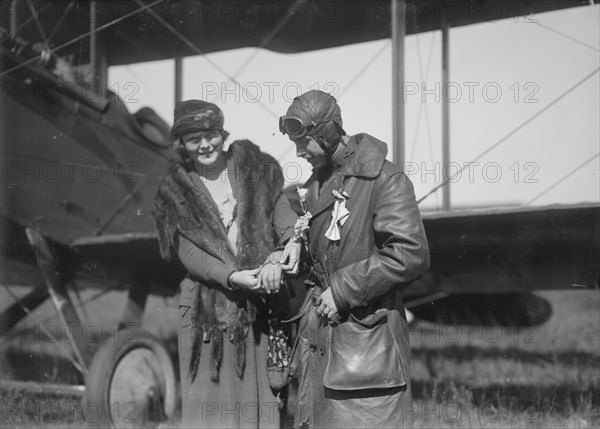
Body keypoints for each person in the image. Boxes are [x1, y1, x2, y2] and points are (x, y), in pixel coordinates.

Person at [279, 90, 430, 428]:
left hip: (366, 343)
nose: (299, 153)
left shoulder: (386, 180)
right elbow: (329, 252)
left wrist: (343, 290)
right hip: (321, 339)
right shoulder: (319, 183)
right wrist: (295, 251)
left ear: (327, 135)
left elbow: (411, 253)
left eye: (304, 143)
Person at [152, 100, 300, 428]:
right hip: (206, 314)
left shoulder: (254, 168)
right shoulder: (174, 190)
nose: (205, 145)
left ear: (222, 133)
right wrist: (233, 277)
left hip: (258, 304)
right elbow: (190, 254)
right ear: (182, 144)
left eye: (211, 135)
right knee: (212, 411)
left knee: (259, 404)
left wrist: (291, 241)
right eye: (194, 139)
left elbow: (281, 209)